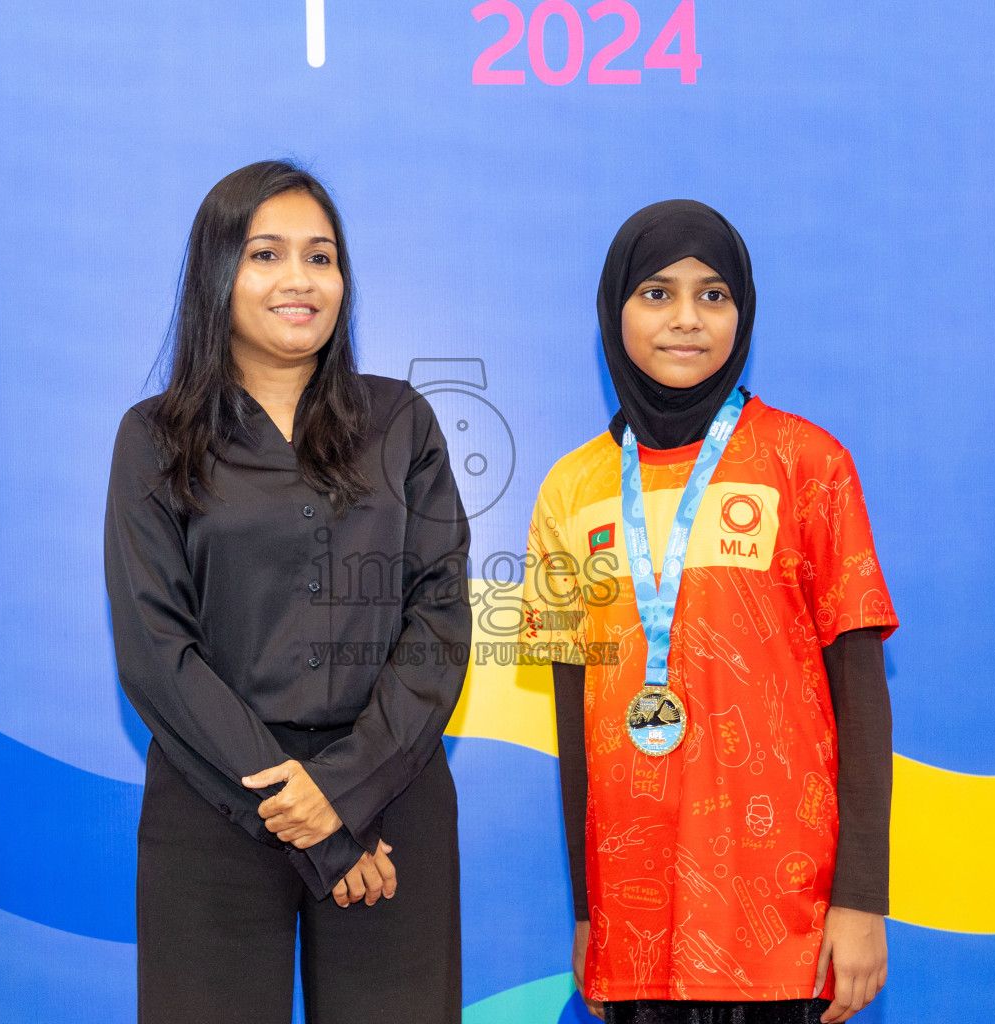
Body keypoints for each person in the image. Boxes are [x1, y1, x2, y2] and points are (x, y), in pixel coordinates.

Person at [104, 160, 470, 1023]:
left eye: (322, 256)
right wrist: (308, 814)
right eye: (266, 254)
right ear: (216, 274)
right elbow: (158, 653)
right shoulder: (154, 439)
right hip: (213, 808)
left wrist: (341, 795)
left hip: (391, 796)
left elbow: (439, 617)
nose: (300, 280)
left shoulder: (401, 420)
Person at [522, 200, 898, 1024]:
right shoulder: (569, 488)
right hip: (635, 921)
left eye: (714, 295)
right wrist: (588, 911)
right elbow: (572, 719)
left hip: (782, 924)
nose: (687, 319)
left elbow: (862, 695)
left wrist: (862, 899)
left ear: (744, 312)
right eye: (656, 293)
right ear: (613, 308)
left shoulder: (811, 464)